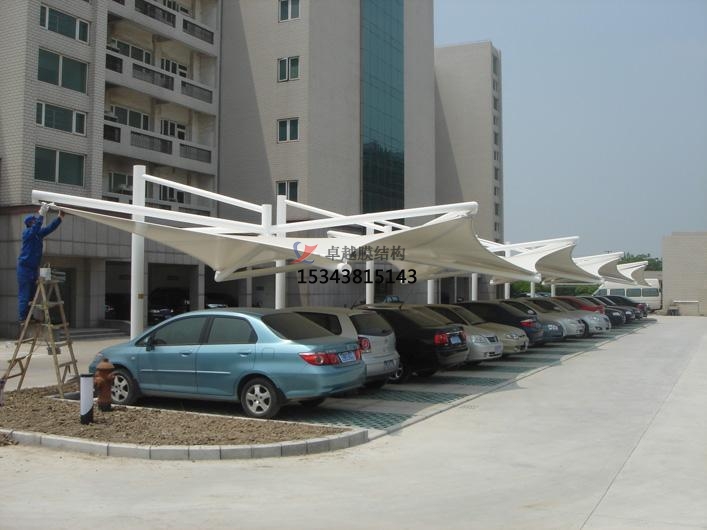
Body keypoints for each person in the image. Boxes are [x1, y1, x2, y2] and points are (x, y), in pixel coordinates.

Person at [17, 203, 64, 323]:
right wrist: (41, 215)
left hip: (33, 268)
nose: (36, 222)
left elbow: (49, 228)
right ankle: (23, 317)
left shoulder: (38, 234)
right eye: (34, 221)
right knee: (25, 294)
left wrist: (59, 218)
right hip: (24, 268)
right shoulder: (27, 233)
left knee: (32, 295)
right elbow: (35, 228)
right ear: (30, 224)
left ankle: (29, 316)